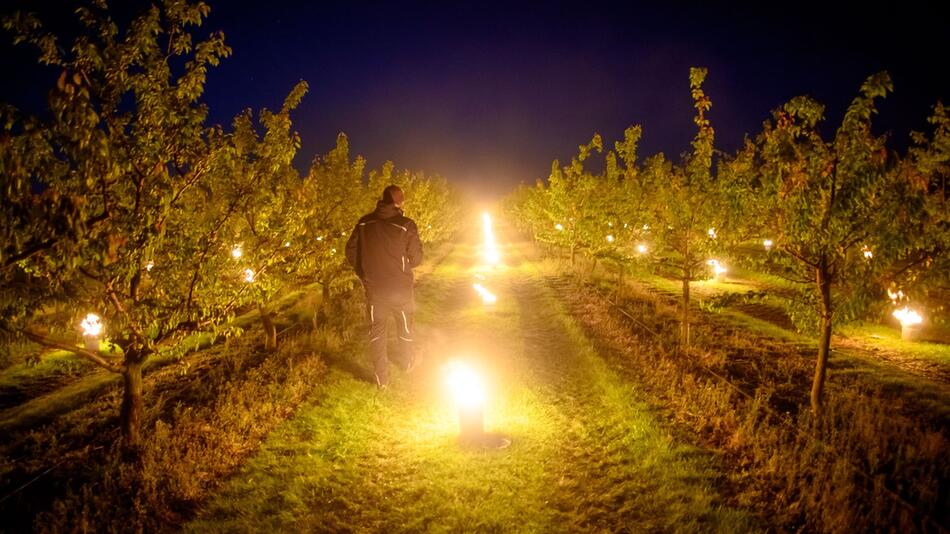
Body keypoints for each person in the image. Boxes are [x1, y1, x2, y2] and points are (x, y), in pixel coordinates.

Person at [345, 185, 423, 389]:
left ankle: (382, 381)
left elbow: (350, 250)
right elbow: (416, 259)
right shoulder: (406, 225)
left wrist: (363, 273)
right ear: (399, 203)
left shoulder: (364, 223)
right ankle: (406, 363)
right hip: (401, 290)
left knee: (377, 334)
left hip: (375, 291)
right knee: (405, 328)